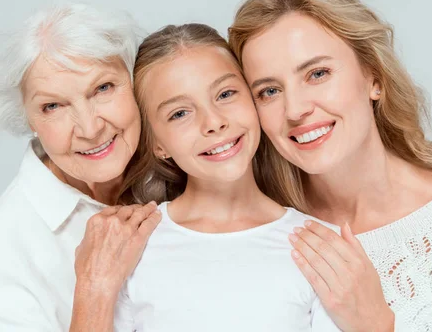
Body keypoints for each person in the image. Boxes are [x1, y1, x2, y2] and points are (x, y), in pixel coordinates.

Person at [228, 0, 432, 331]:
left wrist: (375, 325)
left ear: (374, 78)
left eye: (317, 74)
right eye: (269, 90)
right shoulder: (254, 224)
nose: (296, 109)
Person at [113, 23, 341, 331]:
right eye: (179, 113)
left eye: (225, 94)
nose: (214, 122)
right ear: (157, 144)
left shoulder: (319, 245)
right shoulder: (132, 246)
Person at [0, 2, 161, 332]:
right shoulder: (2, 251)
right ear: (27, 119)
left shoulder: (184, 169)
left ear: (134, 80)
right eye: (52, 105)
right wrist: (94, 290)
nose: (89, 128)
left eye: (103, 88)